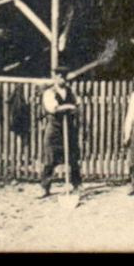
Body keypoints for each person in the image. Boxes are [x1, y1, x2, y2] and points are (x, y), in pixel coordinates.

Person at [39, 65, 82, 197]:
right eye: (59, 76)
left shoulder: (71, 91)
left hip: (68, 128)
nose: (62, 79)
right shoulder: (49, 92)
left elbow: (78, 105)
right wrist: (68, 106)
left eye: (64, 76)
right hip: (54, 128)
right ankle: (45, 187)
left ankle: (76, 185)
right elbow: (53, 108)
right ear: (55, 78)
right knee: (50, 159)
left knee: (73, 158)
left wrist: (71, 107)